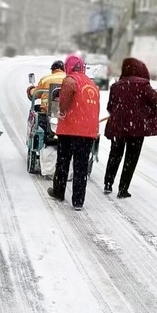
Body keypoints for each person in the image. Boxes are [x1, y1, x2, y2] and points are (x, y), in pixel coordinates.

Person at [103, 58, 157, 198]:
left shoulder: (116, 86)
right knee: (131, 158)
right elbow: (156, 98)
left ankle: (108, 183)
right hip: (137, 129)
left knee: (115, 154)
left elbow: (110, 107)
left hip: (118, 127)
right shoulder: (143, 85)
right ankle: (123, 189)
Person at [47, 54, 100, 210]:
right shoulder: (92, 84)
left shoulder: (70, 79)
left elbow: (66, 96)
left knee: (63, 162)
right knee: (81, 167)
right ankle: (78, 201)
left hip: (70, 129)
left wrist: (62, 111)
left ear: (69, 66)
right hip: (87, 133)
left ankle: (59, 192)